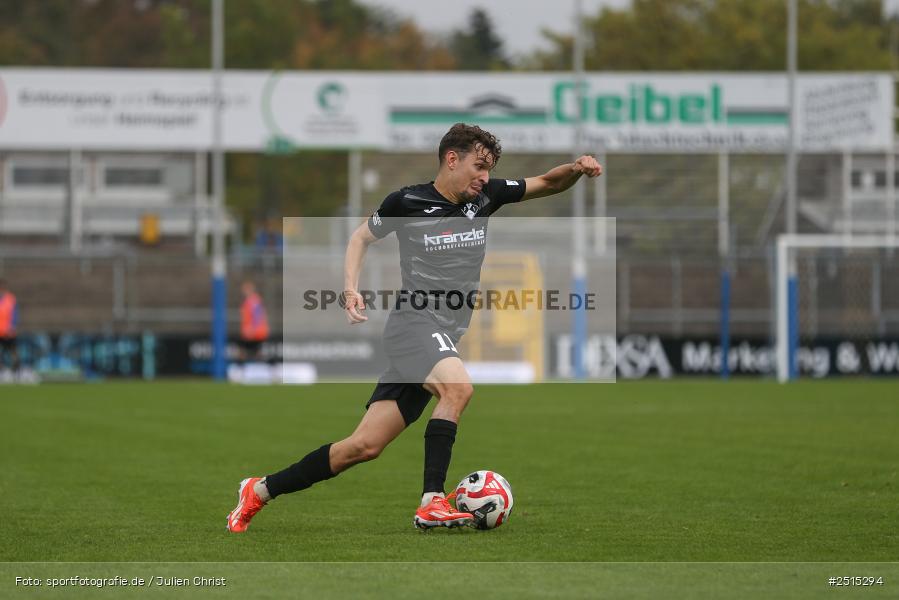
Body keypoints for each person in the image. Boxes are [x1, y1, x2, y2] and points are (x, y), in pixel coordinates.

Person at [227, 123, 602, 532]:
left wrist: (577, 168)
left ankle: (259, 491)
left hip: (442, 332)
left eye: (490, 169)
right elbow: (359, 238)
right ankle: (432, 502)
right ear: (451, 159)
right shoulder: (406, 202)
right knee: (458, 389)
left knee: (363, 446)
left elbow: (548, 182)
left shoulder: (487, 196)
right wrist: (350, 289)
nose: (485, 177)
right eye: (479, 166)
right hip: (414, 322)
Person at [239, 281, 270, 363]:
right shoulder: (250, 300)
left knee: (244, 351)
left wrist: (252, 329)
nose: (244, 291)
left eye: (245, 289)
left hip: (255, 332)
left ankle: (242, 370)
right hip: (254, 332)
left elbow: (257, 316)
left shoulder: (253, 300)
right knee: (255, 352)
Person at [0, 279, 20, 373]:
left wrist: (12, 326)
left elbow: (15, 314)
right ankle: (2, 370)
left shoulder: (10, 299)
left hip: (8, 331)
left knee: (13, 351)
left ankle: (16, 370)